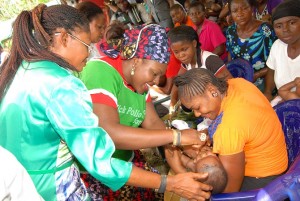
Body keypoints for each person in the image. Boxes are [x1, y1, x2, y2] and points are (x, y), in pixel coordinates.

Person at [0, 4, 212, 201]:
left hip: (18, 187)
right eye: (87, 44)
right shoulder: (63, 84)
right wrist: (170, 182)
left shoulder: (21, 71)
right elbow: (99, 159)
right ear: (64, 38)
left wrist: (181, 148)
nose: (90, 52)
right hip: (50, 190)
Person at [79, 23, 213, 200]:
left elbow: (154, 125)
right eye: (155, 73)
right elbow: (109, 134)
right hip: (98, 175)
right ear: (137, 60)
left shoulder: (139, 86)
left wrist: (185, 165)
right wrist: (177, 136)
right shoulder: (100, 71)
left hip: (127, 164)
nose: (157, 81)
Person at [171, 68, 288, 192]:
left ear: (212, 91)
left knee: (207, 183)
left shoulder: (229, 128)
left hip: (264, 179)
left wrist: (183, 169)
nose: (196, 114)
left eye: (198, 107)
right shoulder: (237, 83)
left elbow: (230, 191)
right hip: (276, 159)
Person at [167, 25, 232, 113]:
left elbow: (229, 84)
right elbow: (177, 83)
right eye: (176, 52)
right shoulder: (186, 64)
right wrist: (173, 103)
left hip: (223, 106)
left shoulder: (210, 60)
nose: (181, 55)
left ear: (194, 43)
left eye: (184, 49)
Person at [226, 0, 277, 91]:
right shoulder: (230, 31)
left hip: (265, 82)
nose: (240, 14)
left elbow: (277, 61)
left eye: (244, 8)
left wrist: (257, 75)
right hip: (240, 84)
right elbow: (230, 56)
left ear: (252, 8)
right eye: (235, 11)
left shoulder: (265, 30)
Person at [264, 0, 300, 103]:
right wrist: (267, 92)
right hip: (282, 99)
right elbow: (271, 70)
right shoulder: (277, 46)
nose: (285, 29)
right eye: (279, 26)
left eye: (292, 22)